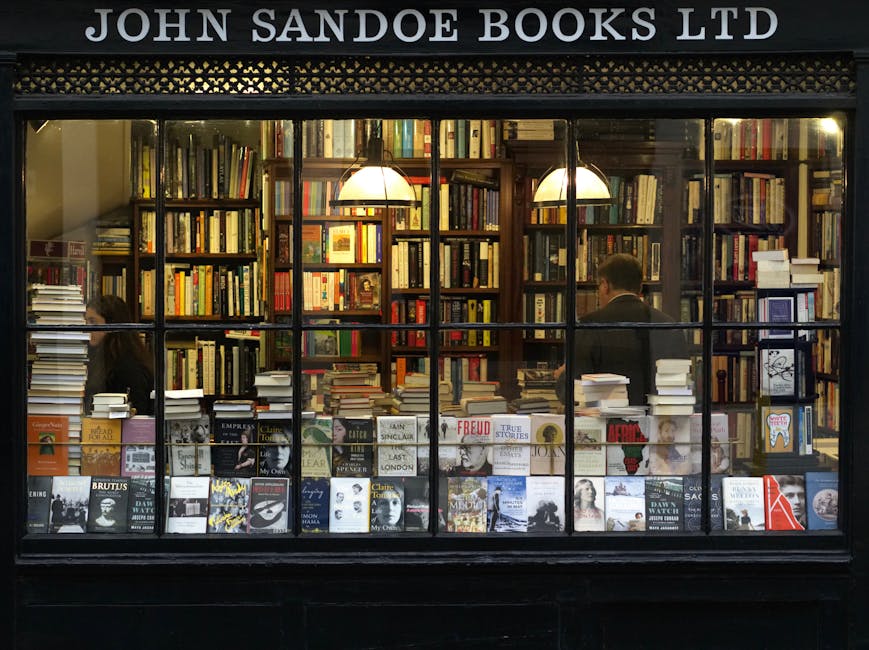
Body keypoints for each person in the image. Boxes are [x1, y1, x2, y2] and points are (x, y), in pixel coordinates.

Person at [555, 254, 688, 406]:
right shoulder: (667, 324)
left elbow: (571, 393)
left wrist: (562, 376)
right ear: (640, 287)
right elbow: (681, 386)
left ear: (605, 285)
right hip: (658, 422)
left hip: (605, 425)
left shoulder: (589, 324)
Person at [84, 295, 154, 416]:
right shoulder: (96, 356)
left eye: (93, 322)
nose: (86, 328)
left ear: (111, 324)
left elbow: (138, 411)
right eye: (86, 321)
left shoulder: (128, 366)